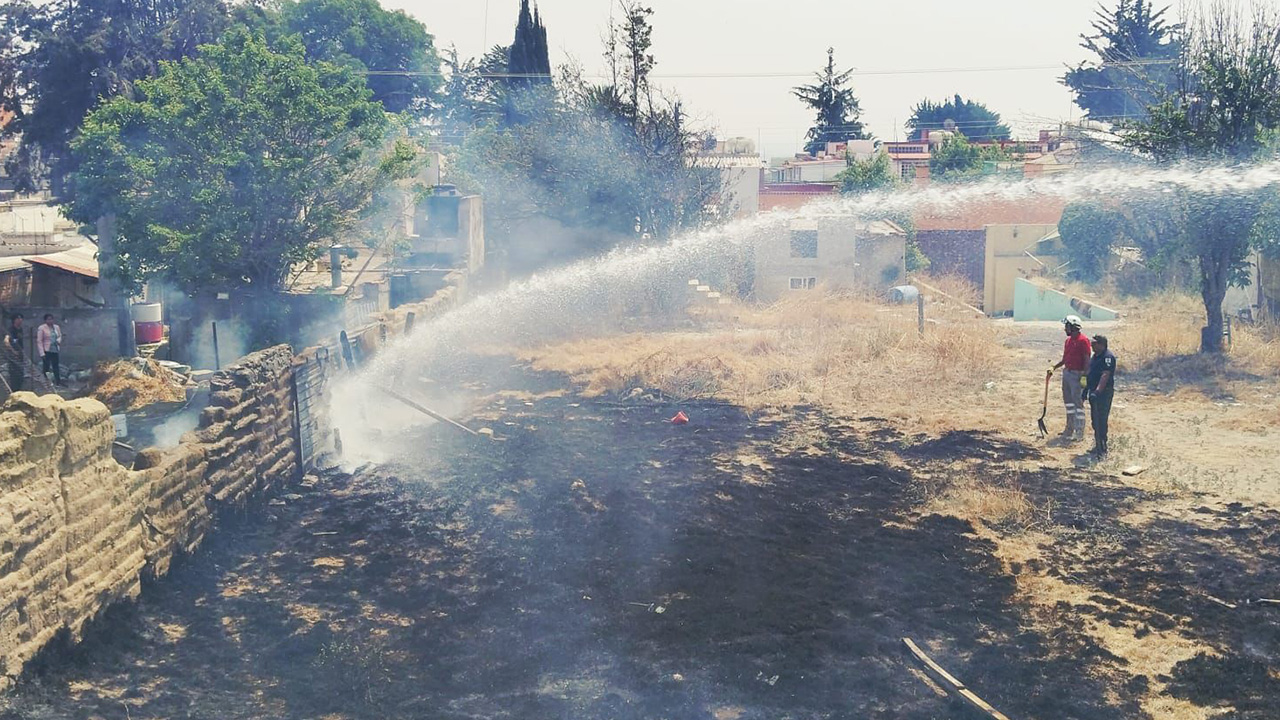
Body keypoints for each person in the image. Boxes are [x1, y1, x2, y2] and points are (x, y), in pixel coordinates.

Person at [1047, 315, 1091, 441]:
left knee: (1078, 404)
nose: (1065, 329)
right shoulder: (1068, 341)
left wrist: (1084, 377)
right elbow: (1065, 359)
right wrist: (1054, 367)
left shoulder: (1084, 341)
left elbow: (1087, 360)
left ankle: (1079, 432)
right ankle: (1069, 429)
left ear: (1073, 326)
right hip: (1067, 373)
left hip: (1077, 374)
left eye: (1066, 326)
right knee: (1069, 403)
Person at [1087, 335, 1117, 456]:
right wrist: (1086, 389)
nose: (1092, 346)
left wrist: (1098, 391)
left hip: (1103, 393)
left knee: (1101, 419)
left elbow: (1105, 375)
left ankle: (1103, 446)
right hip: (1093, 392)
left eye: (1094, 344)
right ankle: (1097, 444)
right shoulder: (1095, 356)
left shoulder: (1107, 357)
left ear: (1101, 344)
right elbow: (1090, 372)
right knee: (1095, 420)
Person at [36, 314, 63, 386]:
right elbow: (39, 341)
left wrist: (58, 341)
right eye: (48, 319)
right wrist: (42, 353)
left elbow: (60, 335)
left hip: (55, 349)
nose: (50, 321)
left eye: (51, 319)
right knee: (46, 367)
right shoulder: (42, 328)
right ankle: (46, 382)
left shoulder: (56, 327)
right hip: (46, 350)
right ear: (45, 320)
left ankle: (58, 381)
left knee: (56, 366)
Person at [5, 314, 24, 392]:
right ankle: (14, 390)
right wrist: (13, 351)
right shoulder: (11, 330)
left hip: (20, 355)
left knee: (21, 374)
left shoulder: (20, 329)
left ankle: (18, 390)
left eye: (21, 318)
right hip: (13, 356)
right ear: (14, 320)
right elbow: (6, 342)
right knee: (14, 374)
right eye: (18, 318)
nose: (20, 320)